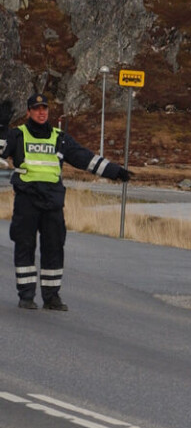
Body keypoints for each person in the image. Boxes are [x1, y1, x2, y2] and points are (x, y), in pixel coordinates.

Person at [0, 93, 132, 311]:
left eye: (44, 108)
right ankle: (26, 296)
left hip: (52, 201)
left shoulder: (60, 138)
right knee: (25, 246)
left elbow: (85, 158)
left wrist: (115, 171)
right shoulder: (18, 135)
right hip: (27, 200)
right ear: (29, 112)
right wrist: (1, 127)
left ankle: (52, 298)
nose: (41, 112)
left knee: (54, 248)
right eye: (36, 108)